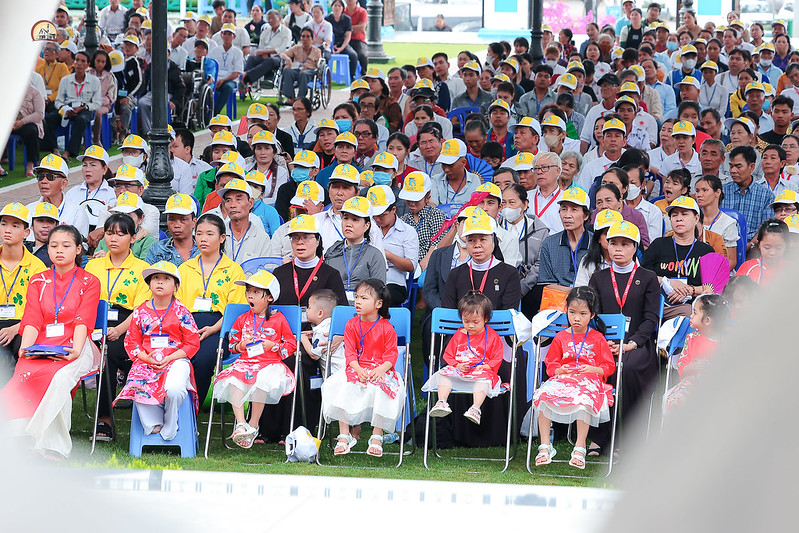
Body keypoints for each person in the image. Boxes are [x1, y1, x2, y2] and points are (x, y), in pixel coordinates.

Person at [0, 225, 100, 460]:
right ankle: (16, 434)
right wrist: (25, 349)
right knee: (24, 371)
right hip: (41, 343)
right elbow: (32, 319)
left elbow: (83, 320)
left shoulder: (89, 281)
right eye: (54, 245)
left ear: (78, 249)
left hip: (76, 343)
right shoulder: (38, 280)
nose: (59, 250)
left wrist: (76, 351)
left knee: (60, 377)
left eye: (66, 245)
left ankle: (51, 444)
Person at [440, 208, 521, 447]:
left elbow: (508, 313)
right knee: (450, 359)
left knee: (510, 361)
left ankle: (498, 434)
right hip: (463, 342)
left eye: (483, 239)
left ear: (493, 241)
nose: (477, 245)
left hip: (496, 343)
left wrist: (479, 329)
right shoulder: (456, 274)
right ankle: (457, 431)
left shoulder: (508, 273)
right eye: (471, 240)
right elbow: (448, 311)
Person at [587, 220, 659, 456]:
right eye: (614, 243)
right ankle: (598, 437)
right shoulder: (598, 277)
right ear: (606, 245)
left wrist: (631, 343)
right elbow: (593, 315)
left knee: (626, 369)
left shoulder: (648, 277)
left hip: (637, 344)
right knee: (598, 368)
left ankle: (624, 438)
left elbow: (650, 318)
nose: (618, 249)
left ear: (635, 247)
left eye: (625, 244)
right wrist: (604, 342)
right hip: (604, 343)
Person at [113, 260, 199, 441]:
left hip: (176, 359)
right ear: (149, 284)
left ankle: (171, 423)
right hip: (146, 360)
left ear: (176, 286)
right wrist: (146, 358)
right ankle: (153, 422)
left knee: (174, 389)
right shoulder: (140, 311)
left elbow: (192, 343)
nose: (160, 282)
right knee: (135, 384)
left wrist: (170, 358)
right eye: (156, 278)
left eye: (166, 279)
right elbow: (131, 342)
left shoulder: (182, 311)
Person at [321, 278, 405, 457]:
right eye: (357, 297)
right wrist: (358, 369)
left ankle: (377, 435)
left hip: (381, 369)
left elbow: (391, 355)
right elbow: (350, 353)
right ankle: (344, 434)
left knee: (382, 389)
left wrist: (381, 370)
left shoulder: (386, 327)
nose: (358, 301)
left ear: (378, 304)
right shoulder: (351, 324)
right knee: (342, 386)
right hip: (356, 368)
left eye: (364, 298)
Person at [533, 285, 615, 469]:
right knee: (543, 395)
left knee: (584, 398)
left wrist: (593, 369)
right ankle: (545, 445)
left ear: (592, 315)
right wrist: (558, 370)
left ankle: (580, 447)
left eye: (583, 313)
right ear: (567, 311)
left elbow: (608, 366)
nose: (576, 318)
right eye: (572, 312)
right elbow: (551, 364)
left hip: (588, 380)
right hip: (564, 379)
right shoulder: (561, 337)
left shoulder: (597, 338)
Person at [213, 270, 296, 448]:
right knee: (233, 378)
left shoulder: (279, 319)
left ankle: (253, 424)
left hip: (270, 363)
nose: (250, 295)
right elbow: (231, 345)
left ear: (270, 297)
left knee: (262, 380)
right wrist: (241, 346)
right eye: (248, 291)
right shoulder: (242, 318)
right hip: (245, 362)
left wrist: (273, 346)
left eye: (256, 292)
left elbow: (291, 345)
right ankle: (241, 423)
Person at [176, 214, 246, 405]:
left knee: (204, 358)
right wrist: (186, 329)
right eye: (199, 234)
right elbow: (177, 306)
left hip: (220, 328)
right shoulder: (185, 269)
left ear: (222, 238)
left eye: (209, 234)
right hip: (187, 325)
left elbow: (235, 310)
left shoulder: (233, 270)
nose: (203, 239)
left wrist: (213, 329)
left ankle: (192, 408)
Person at [425, 291, 504, 425]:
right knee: (444, 374)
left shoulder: (492, 336)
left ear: (485, 319)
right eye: (466, 321)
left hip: (480, 371)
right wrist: (457, 365)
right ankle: (442, 401)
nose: (470, 325)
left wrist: (486, 366)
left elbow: (497, 356)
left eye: (476, 322)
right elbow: (448, 354)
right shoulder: (459, 334)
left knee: (484, 379)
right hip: (461, 370)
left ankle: (475, 408)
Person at [642, 196, 715, 318]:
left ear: (696, 218)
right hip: (657, 304)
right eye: (674, 215)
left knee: (688, 313)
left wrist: (689, 290)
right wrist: (667, 281)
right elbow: (643, 276)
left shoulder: (706, 251)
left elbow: (711, 288)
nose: (679, 218)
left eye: (684, 214)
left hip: (691, 307)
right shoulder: (658, 245)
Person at [0, 204, 48, 370]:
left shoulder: (37, 267)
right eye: (3, 224)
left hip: (24, 324)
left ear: (26, 232)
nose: (7, 230)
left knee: (26, 345)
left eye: (15, 226)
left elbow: (41, 310)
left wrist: (16, 328)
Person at [664, 293, 729, 411]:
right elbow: (681, 366)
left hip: (717, 386)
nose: (691, 315)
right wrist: (693, 367)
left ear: (707, 320)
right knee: (674, 400)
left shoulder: (725, 342)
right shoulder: (691, 338)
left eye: (695, 312)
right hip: (692, 384)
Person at [323, 196, 386, 302]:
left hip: (364, 307)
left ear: (367, 225)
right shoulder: (332, 251)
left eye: (355, 220)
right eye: (345, 218)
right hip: (333, 306)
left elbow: (378, 292)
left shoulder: (374, 255)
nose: (348, 224)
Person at [42, 51, 101, 161]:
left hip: (85, 108)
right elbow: (58, 101)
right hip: (67, 108)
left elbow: (97, 103)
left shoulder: (94, 81)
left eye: (83, 61)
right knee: (48, 118)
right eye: (77, 60)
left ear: (88, 65)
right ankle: (54, 149)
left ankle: (68, 152)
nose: (79, 63)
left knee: (81, 120)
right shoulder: (66, 80)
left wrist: (83, 108)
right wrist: (65, 109)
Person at [500, 184, 549, 317]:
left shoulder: (540, 231)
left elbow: (540, 264)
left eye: (512, 203)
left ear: (525, 205)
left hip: (528, 288)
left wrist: (522, 288)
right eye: (503, 203)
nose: (507, 208)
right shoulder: (494, 227)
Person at [369, 186, 418, 306]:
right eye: (374, 215)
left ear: (394, 209)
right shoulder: (368, 228)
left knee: (380, 296)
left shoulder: (407, 231)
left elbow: (411, 266)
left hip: (393, 282)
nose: (377, 219)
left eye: (382, 215)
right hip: (367, 279)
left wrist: (387, 254)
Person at [539, 187, 593, 291]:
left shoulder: (595, 243)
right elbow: (546, 283)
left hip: (588, 298)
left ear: (586, 215)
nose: (567, 215)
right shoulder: (549, 243)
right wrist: (574, 292)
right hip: (557, 298)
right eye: (564, 209)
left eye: (574, 210)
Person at [721, 145, 775, 243]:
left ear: (752, 167)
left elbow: (766, 228)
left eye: (738, 166)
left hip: (754, 246)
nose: (733, 171)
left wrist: (750, 245)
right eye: (731, 166)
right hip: (723, 244)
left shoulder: (766, 196)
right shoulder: (721, 192)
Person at [27, 155, 89, 237]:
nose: (43, 181)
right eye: (40, 176)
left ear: (64, 183)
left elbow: (81, 244)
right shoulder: (28, 210)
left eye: (50, 177)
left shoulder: (77, 213)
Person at [94, 193, 157, 260]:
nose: (122, 219)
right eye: (118, 214)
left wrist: (110, 258)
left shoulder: (148, 241)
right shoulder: (108, 237)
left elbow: (145, 265)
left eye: (128, 215)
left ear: (140, 218)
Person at [241, 9, 292, 88]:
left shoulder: (286, 31)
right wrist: (263, 53)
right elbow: (261, 47)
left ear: (279, 18)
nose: (270, 20)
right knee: (251, 58)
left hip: (279, 56)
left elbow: (283, 49)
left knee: (271, 60)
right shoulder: (266, 31)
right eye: (268, 18)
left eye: (273, 18)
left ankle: (245, 77)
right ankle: (244, 81)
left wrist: (266, 52)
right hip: (264, 55)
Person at [146, 194, 200, 267]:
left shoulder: (203, 249)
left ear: (194, 222)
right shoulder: (157, 249)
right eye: (171, 219)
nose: (177, 225)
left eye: (183, 220)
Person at [301, 289, 345, 377]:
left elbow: (314, 355)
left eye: (309, 308)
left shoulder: (321, 331)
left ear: (320, 313)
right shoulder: (332, 325)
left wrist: (303, 338)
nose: (307, 311)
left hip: (336, 374)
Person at [736, 219, 789, 285]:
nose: (772, 253)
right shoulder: (748, 268)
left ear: (786, 245)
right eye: (767, 247)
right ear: (759, 244)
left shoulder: (791, 270)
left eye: (778, 248)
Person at [432, 139, 481, 206]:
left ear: (463, 163)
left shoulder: (474, 179)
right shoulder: (435, 180)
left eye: (451, 165)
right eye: (443, 164)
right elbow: (432, 204)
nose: (446, 169)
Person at [208, 23, 244, 114]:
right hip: (214, 79)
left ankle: (214, 113)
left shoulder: (238, 52)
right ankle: (203, 112)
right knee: (204, 86)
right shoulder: (214, 51)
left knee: (228, 87)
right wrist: (214, 79)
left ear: (234, 36)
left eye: (230, 34)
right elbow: (209, 67)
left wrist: (223, 80)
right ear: (221, 35)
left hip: (229, 80)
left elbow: (236, 73)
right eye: (225, 33)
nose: (227, 36)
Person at [279, 27, 322, 104]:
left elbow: (318, 66)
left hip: (310, 71)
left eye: (308, 36)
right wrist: (288, 59)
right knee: (287, 70)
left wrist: (307, 67)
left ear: (312, 39)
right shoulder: (296, 48)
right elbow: (282, 54)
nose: (305, 39)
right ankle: (291, 97)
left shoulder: (317, 51)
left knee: (303, 74)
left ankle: (300, 98)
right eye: (303, 36)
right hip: (297, 69)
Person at [326, 0, 358, 81]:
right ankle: (324, 76)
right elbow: (326, 35)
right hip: (330, 43)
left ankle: (352, 76)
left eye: (339, 6)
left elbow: (348, 36)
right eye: (335, 5)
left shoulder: (347, 19)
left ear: (343, 8)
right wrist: (330, 46)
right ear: (332, 7)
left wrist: (341, 48)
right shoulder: (327, 19)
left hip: (342, 44)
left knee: (353, 55)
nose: (337, 8)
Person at [343, 0, 368, 79]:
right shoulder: (342, 11)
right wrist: (354, 28)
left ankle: (363, 75)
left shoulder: (362, 12)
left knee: (363, 55)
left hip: (358, 40)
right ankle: (351, 76)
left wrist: (347, 29)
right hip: (344, 41)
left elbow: (362, 27)